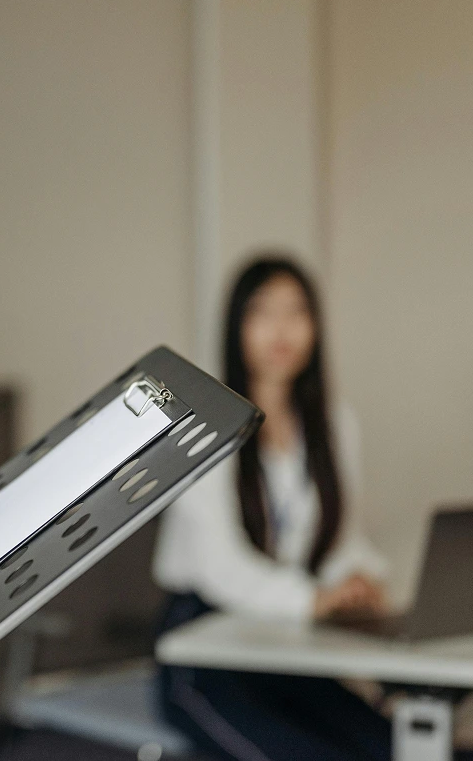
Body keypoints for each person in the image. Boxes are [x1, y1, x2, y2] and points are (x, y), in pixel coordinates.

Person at [153, 257, 391, 761]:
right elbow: (219, 567)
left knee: (392, 745)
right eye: (263, 313)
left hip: (280, 640)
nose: (281, 330)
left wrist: (358, 578)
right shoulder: (201, 424)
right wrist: (313, 601)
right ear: (236, 325)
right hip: (201, 643)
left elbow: (339, 539)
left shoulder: (332, 423)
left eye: (297, 312)